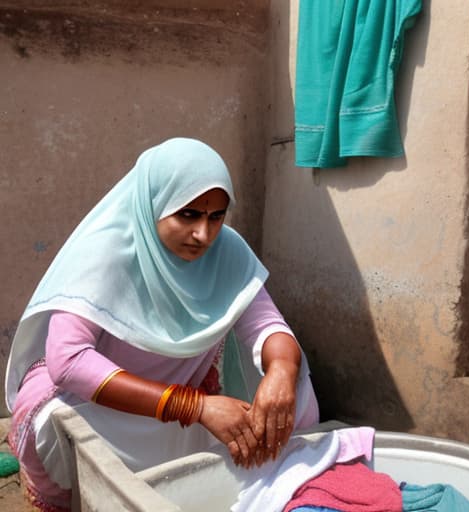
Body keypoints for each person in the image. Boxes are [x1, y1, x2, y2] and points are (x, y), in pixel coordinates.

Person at [5, 138, 320, 511]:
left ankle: (275, 484)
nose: (204, 234)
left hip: (178, 406)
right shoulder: (107, 253)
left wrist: (281, 370)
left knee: (293, 384)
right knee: (53, 424)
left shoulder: (226, 250)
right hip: (103, 406)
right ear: (154, 204)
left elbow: (266, 324)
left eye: (216, 216)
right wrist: (197, 408)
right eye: (187, 215)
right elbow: (68, 361)